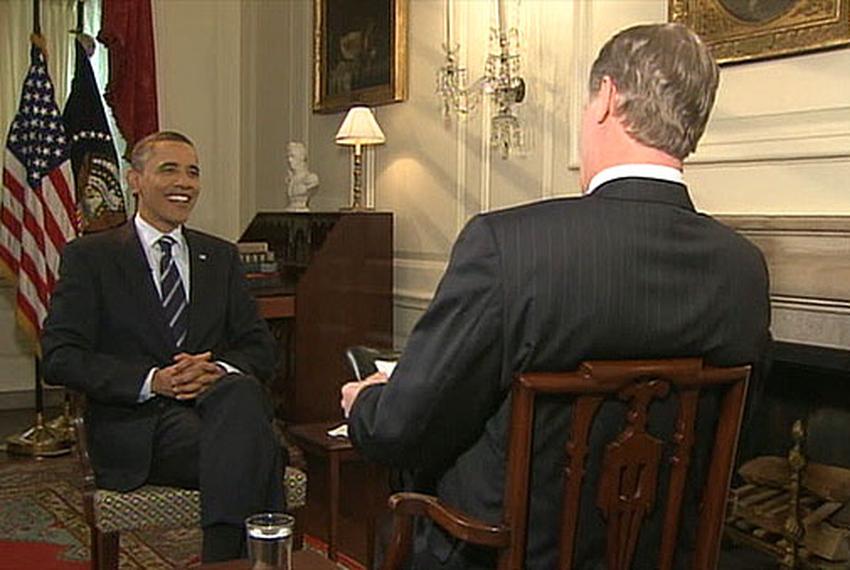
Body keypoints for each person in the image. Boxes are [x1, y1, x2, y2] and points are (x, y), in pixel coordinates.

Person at [341, 23, 771, 569]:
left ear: (608, 99)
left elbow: (401, 432)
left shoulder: (507, 247)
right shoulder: (744, 270)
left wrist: (368, 403)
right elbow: (736, 447)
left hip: (496, 555)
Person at [42, 131, 284, 563]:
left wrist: (218, 370)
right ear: (135, 180)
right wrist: (155, 381)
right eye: (169, 169)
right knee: (259, 446)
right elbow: (60, 357)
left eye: (193, 172)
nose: (185, 182)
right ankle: (241, 559)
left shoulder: (221, 256)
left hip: (217, 413)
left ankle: (224, 561)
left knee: (240, 394)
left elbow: (260, 348)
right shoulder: (91, 257)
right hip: (138, 427)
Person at [285, 141, 319, 211]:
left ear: (302, 157)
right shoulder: (289, 179)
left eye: (292, 156)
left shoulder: (311, 178)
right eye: (288, 157)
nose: (289, 160)